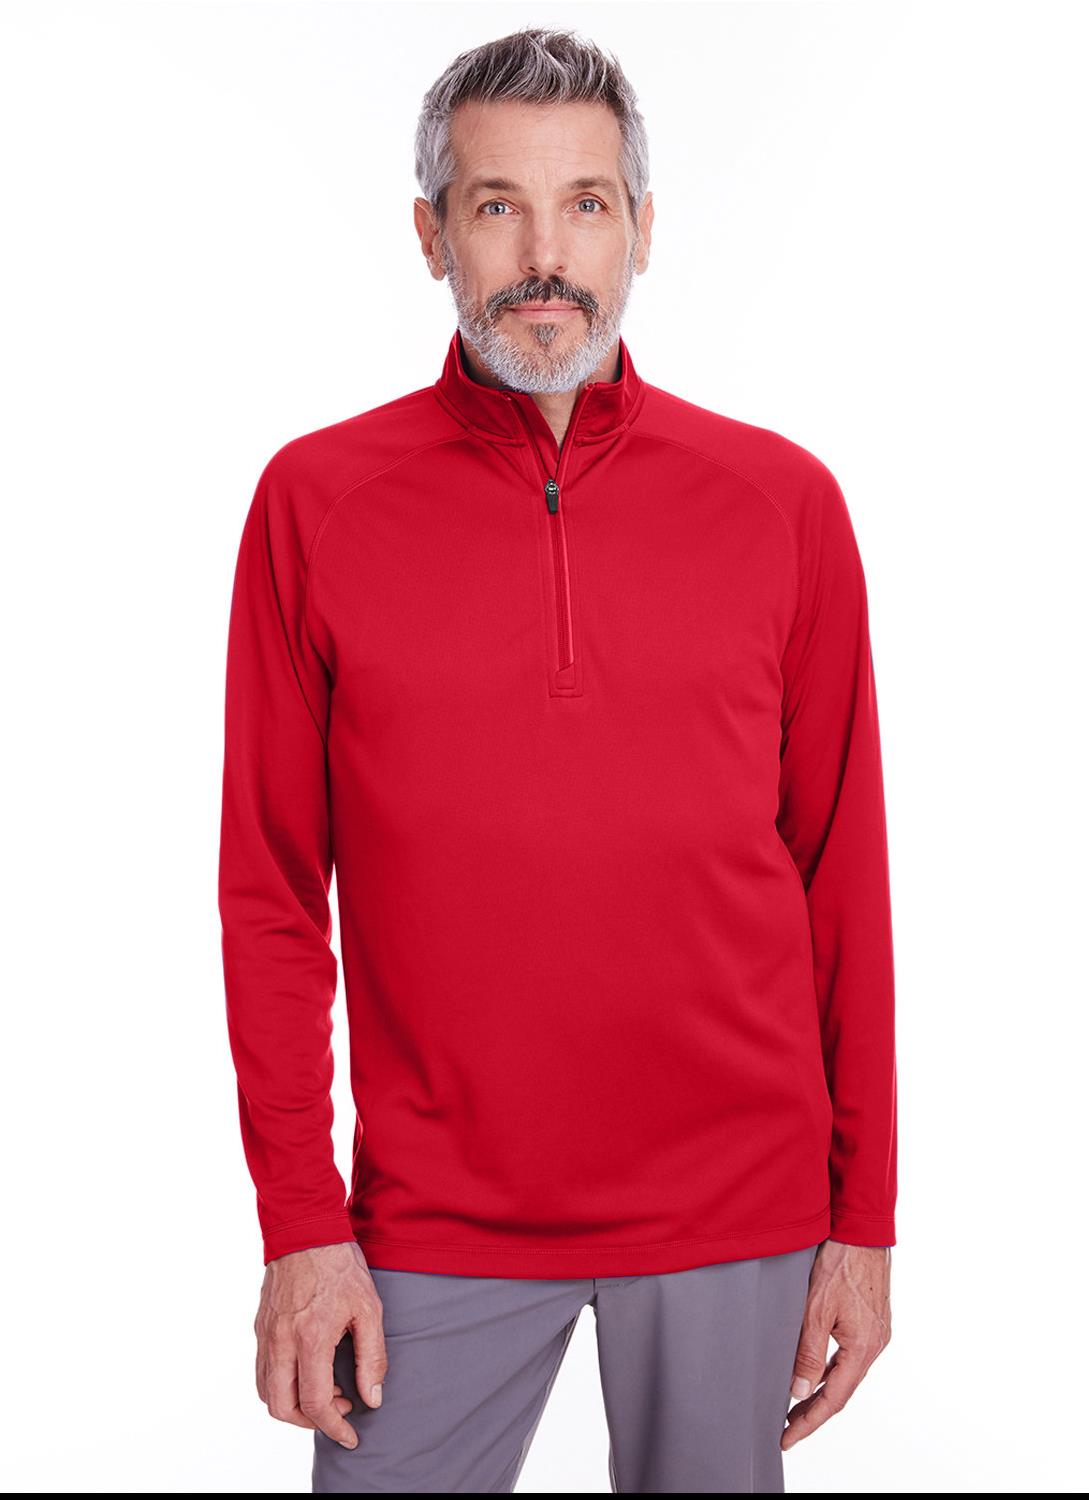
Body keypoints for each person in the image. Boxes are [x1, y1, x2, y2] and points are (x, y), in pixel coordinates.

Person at [217, 24, 897, 1495]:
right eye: (496, 205)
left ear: (640, 227)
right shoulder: (315, 502)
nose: (545, 255)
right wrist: (298, 1223)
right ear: (431, 236)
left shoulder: (781, 504)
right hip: (432, 1218)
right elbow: (269, 896)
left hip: (735, 1203)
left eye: (585, 203)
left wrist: (866, 1217)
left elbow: (842, 879)